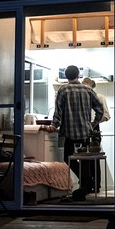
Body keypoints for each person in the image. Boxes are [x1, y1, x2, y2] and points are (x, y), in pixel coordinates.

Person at [45, 65, 104, 200]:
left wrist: (54, 125)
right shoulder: (87, 90)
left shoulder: (63, 89)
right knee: (85, 161)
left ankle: (85, 185)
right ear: (78, 74)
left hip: (70, 133)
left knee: (68, 158)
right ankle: (87, 184)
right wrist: (92, 124)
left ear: (66, 76)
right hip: (85, 133)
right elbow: (100, 110)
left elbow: (58, 111)